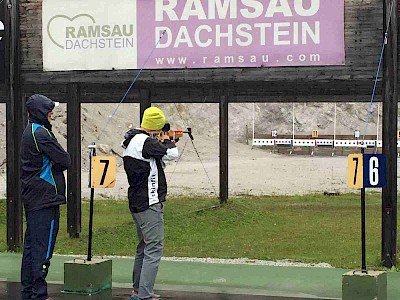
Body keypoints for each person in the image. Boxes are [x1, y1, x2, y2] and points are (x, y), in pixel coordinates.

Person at [122, 107, 179, 300]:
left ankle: (138, 290)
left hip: (137, 202)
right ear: (155, 126)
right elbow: (172, 154)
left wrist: (160, 139)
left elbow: (155, 160)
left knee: (143, 247)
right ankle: (144, 295)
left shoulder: (133, 140)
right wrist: (169, 140)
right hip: (149, 203)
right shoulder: (145, 142)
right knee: (154, 249)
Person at [20, 94, 71, 300]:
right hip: (44, 198)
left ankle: (28, 292)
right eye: (49, 110)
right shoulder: (41, 134)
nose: (52, 113)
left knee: (31, 249)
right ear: (41, 112)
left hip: (35, 197)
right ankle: (39, 294)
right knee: (43, 249)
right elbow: (65, 159)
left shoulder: (32, 131)